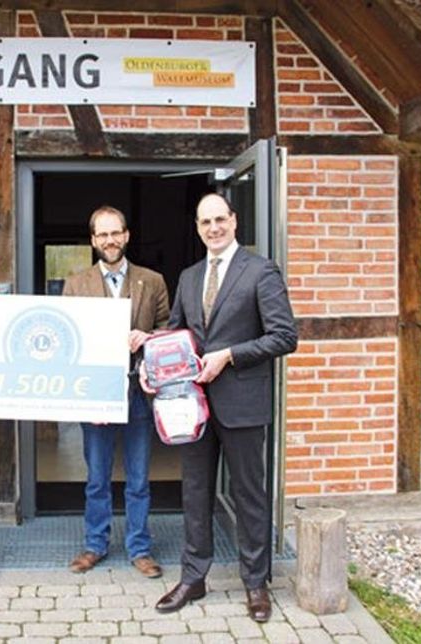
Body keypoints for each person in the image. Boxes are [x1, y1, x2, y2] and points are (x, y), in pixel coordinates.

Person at [143, 193, 297, 623]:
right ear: (197, 227)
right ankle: (194, 579)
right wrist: (150, 367)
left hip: (243, 401)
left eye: (220, 219)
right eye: (205, 222)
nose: (213, 228)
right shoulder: (190, 276)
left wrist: (229, 355)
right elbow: (175, 333)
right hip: (191, 405)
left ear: (234, 221)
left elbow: (285, 336)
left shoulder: (260, 271)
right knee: (194, 493)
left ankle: (255, 583)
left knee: (249, 495)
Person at [62, 205, 170, 578]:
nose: (109, 240)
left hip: (138, 391)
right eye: (102, 234)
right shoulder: (75, 284)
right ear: (93, 241)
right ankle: (95, 544)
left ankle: (140, 548)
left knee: (139, 478)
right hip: (95, 394)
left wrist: (150, 336)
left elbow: (168, 329)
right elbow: (68, 340)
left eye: (115, 233)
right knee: (97, 477)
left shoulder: (152, 280)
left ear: (126, 235)